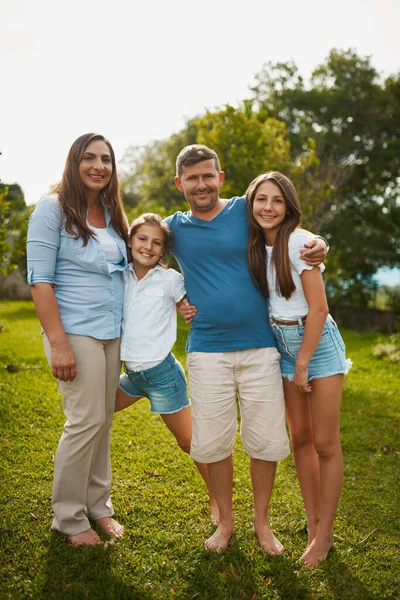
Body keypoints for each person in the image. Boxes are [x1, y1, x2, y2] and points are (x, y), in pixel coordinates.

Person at [166, 144, 327, 553]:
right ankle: (226, 523)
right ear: (178, 183)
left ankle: (262, 522)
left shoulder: (246, 210)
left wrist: (320, 243)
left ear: (220, 178)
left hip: (261, 347)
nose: (200, 184)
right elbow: (140, 252)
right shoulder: (173, 228)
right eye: (192, 178)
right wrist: (175, 296)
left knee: (265, 439)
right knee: (214, 441)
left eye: (207, 176)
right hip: (206, 351)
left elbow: (290, 228)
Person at [26, 133, 128, 546]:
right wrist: (60, 343)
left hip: (111, 332)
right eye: (89, 157)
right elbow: (40, 279)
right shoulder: (50, 210)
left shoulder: (110, 210)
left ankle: (98, 506)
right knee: (85, 420)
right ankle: (69, 519)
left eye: (105, 159)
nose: (98, 165)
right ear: (74, 162)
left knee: (102, 421)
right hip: (75, 331)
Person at [245, 171, 352, 567]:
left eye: (276, 200)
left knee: (325, 443)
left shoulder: (297, 243)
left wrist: (303, 363)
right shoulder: (256, 245)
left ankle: (325, 538)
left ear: (288, 206)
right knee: (301, 438)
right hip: (282, 344)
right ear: (250, 204)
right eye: (261, 200)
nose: (268, 207)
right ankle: (313, 523)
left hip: (317, 346)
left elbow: (319, 309)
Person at [114, 213, 217, 523]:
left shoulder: (169, 279)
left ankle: (218, 498)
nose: (148, 246)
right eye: (142, 239)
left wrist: (186, 307)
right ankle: (94, 492)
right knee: (96, 416)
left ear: (163, 250)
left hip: (163, 376)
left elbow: (187, 298)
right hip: (132, 376)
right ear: (130, 241)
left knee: (188, 442)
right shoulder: (120, 276)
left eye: (157, 243)